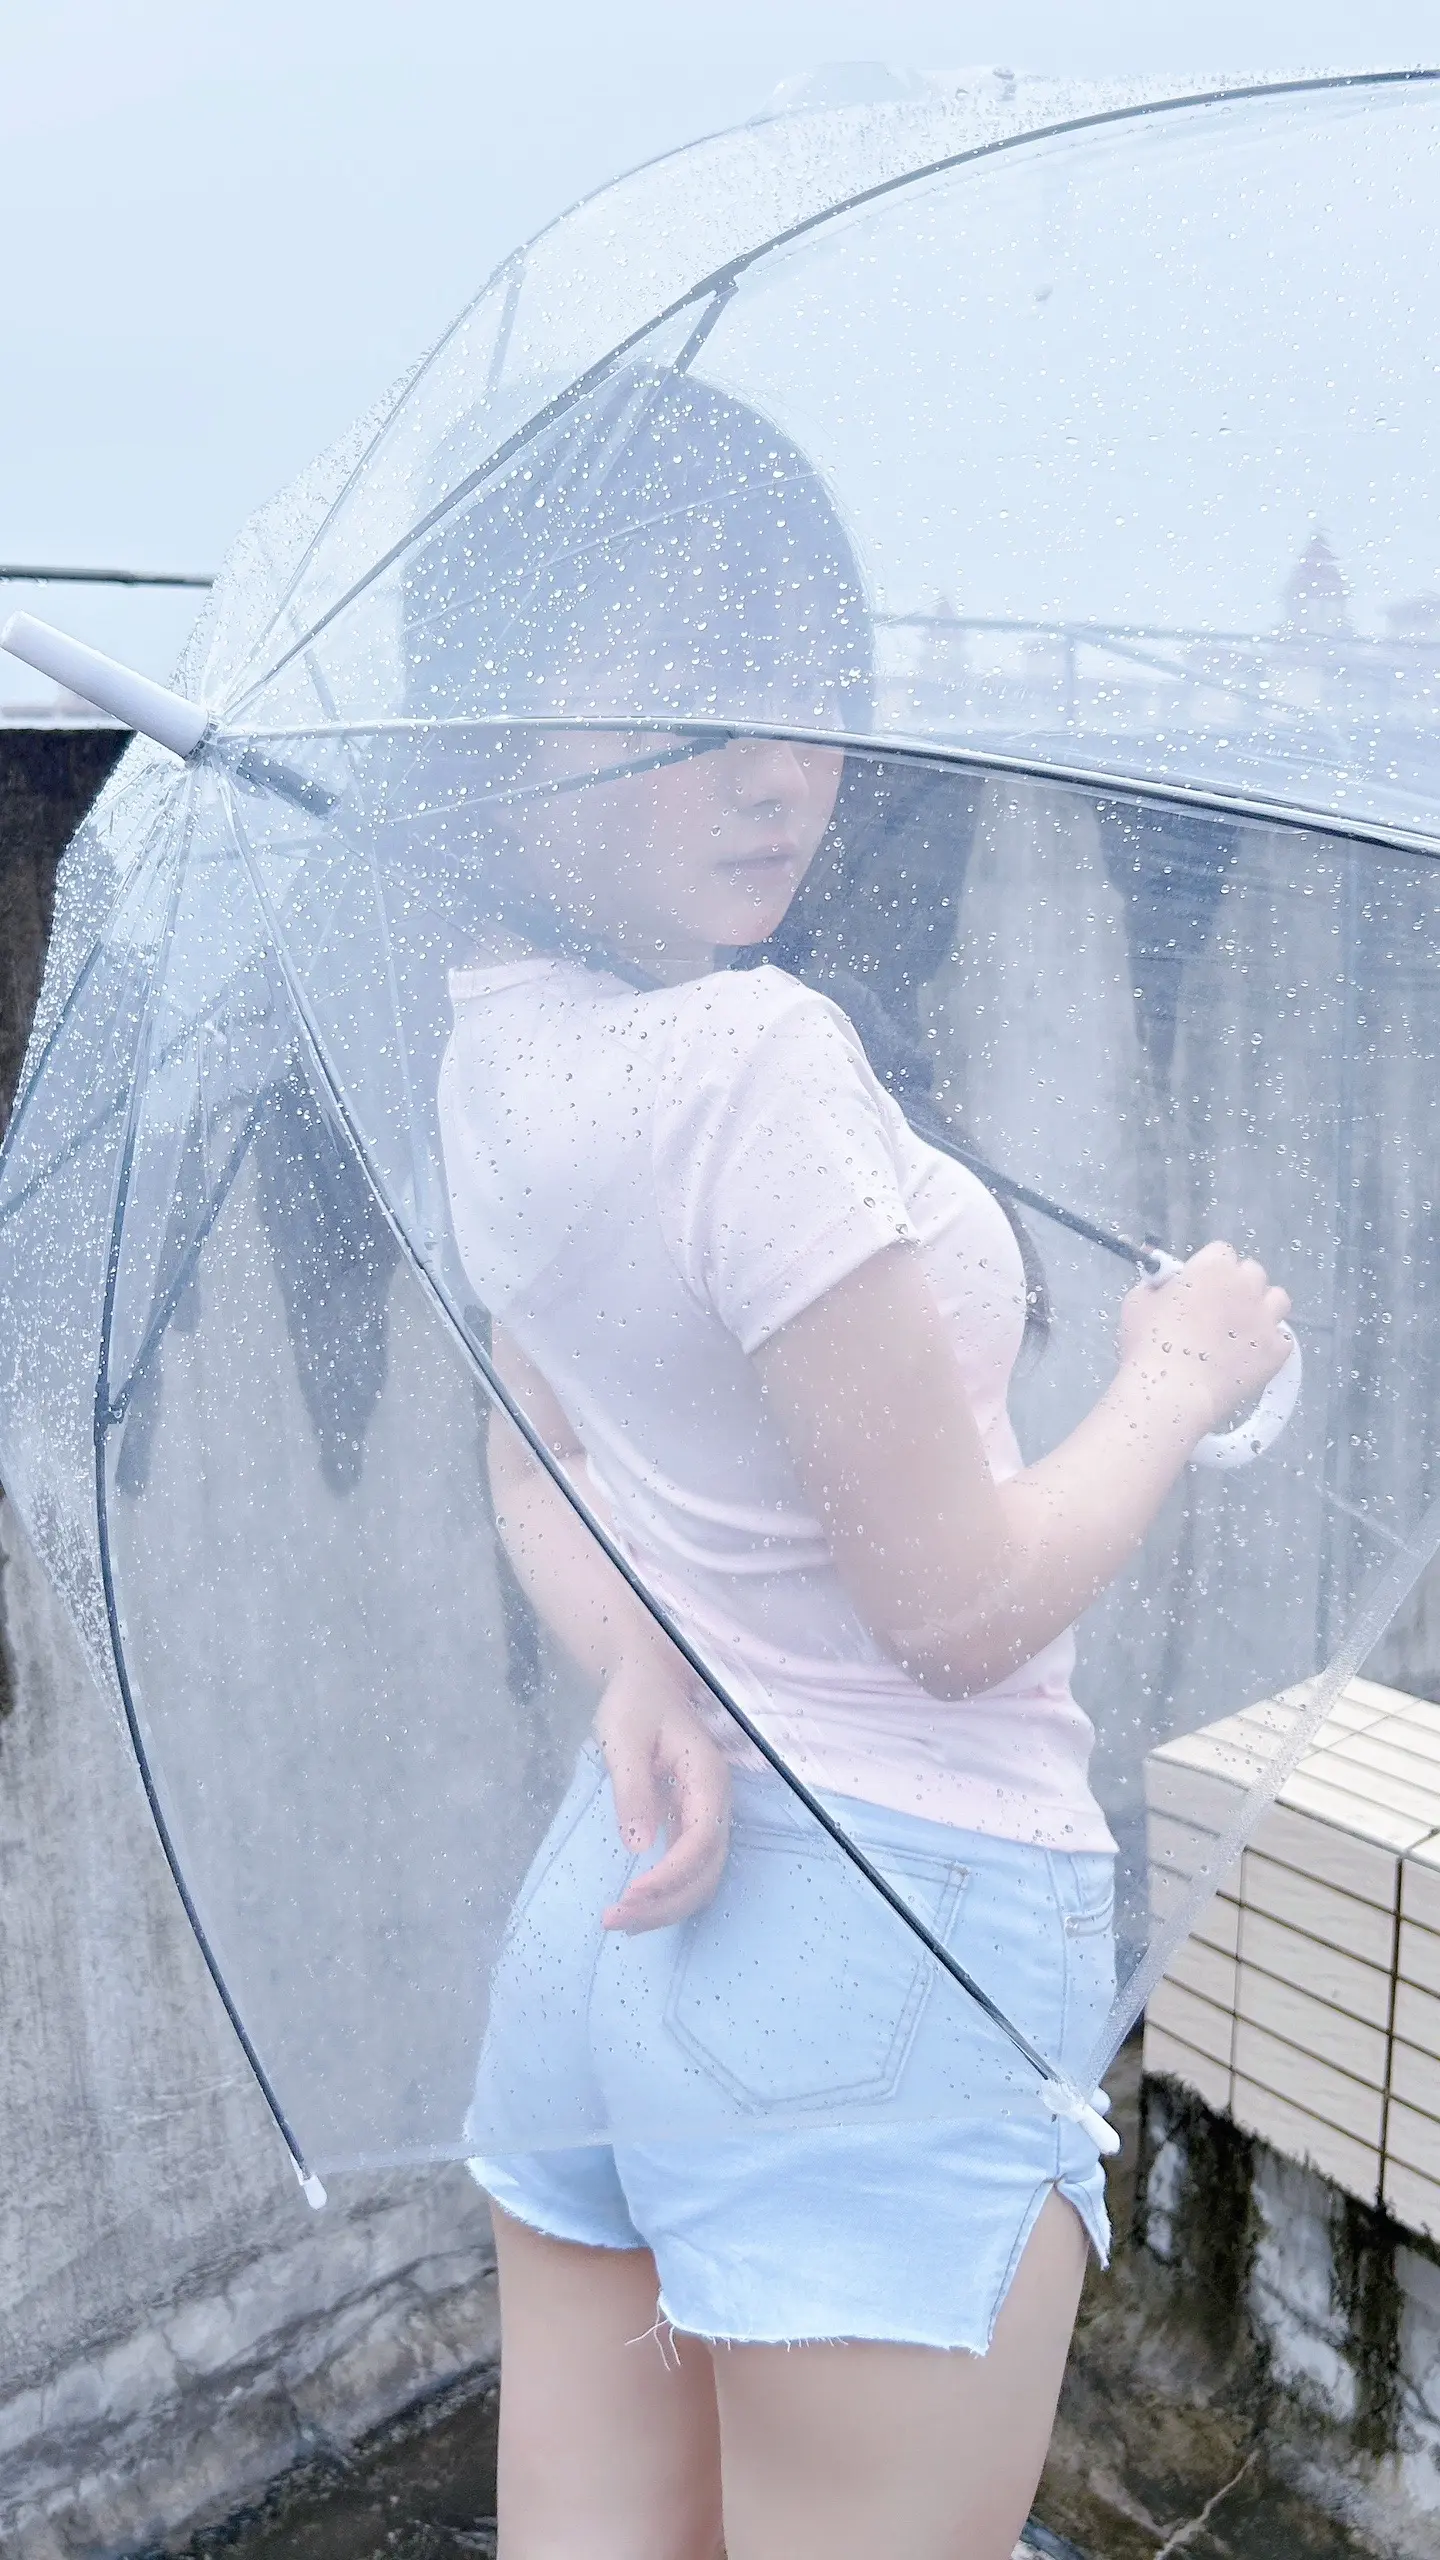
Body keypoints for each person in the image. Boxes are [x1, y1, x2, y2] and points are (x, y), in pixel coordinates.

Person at [427, 368, 1292, 2560]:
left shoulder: (497, 1043)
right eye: (695, 699)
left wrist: (640, 1667)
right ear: (503, 729)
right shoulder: (754, 1059)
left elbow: (529, 1452)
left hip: (617, 1932)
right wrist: (1179, 1375)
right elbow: (962, 1609)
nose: (780, 764)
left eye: (808, 686)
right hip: (887, 1955)